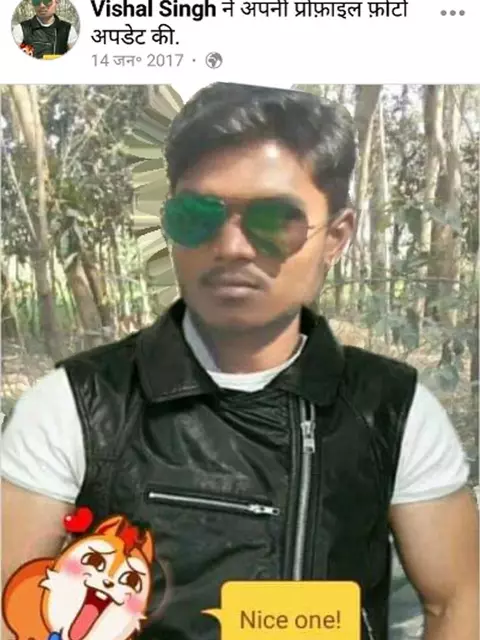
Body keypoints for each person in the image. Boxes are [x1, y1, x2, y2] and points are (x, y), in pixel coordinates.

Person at [2, 84, 478, 640]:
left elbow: (458, 599)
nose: (231, 247)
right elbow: (16, 609)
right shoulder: (77, 405)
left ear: (337, 236)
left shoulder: (392, 409)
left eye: (274, 220)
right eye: (198, 215)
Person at [12, 0, 78, 58]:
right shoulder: (21, 29)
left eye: (47, 1)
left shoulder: (67, 30)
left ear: (57, 1)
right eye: (37, 1)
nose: (42, 5)